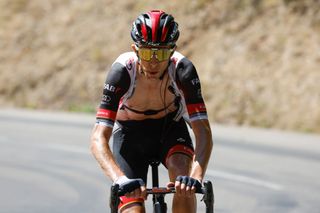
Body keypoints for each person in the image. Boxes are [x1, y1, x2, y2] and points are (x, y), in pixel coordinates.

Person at [90, 9, 213, 213]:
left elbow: (203, 132)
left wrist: (195, 178)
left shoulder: (183, 71)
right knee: (133, 208)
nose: (154, 61)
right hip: (130, 135)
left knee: (183, 179)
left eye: (162, 53)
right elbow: (97, 139)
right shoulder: (122, 72)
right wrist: (119, 180)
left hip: (170, 129)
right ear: (135, 49)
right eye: (147, 52)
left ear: (172, 51)